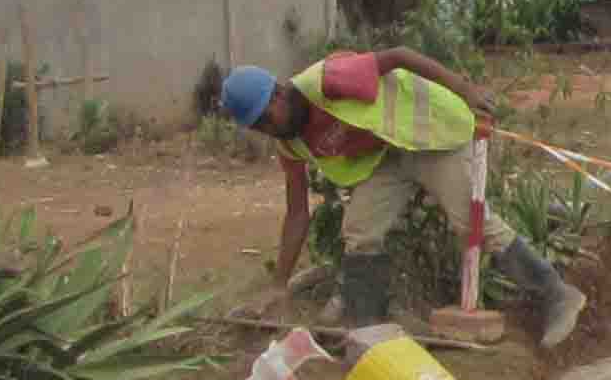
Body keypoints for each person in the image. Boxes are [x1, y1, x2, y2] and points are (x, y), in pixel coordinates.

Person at [205, 47, 586, 347]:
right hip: (387, 157)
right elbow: (297, 215)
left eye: (265, 118)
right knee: (360, 230)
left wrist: (465, 90)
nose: (267, 129)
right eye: (257, 127)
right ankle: (365, 327)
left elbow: (399, 56)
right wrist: (278, 285)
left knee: (472, 224)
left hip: (431, 134)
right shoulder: (289, 144)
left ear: (279, 94)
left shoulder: (328, 80)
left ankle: (555, 293)